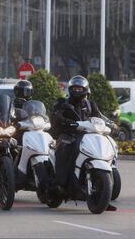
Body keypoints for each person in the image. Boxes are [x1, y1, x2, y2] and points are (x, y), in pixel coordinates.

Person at [50, 75, 118, 211]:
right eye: (75, 88)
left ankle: (103, 197)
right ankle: (60, 184)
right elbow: (56, 115)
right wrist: (65, 121)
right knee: (65, 149)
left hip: (88, 134)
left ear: (86, 89)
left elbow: (99, 116)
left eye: (80, 88)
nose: (77, 90)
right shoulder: (63, 102)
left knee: (105, 146)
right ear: (70, 89)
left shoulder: (90, 104)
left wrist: (111, 123)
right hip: (69, 134)